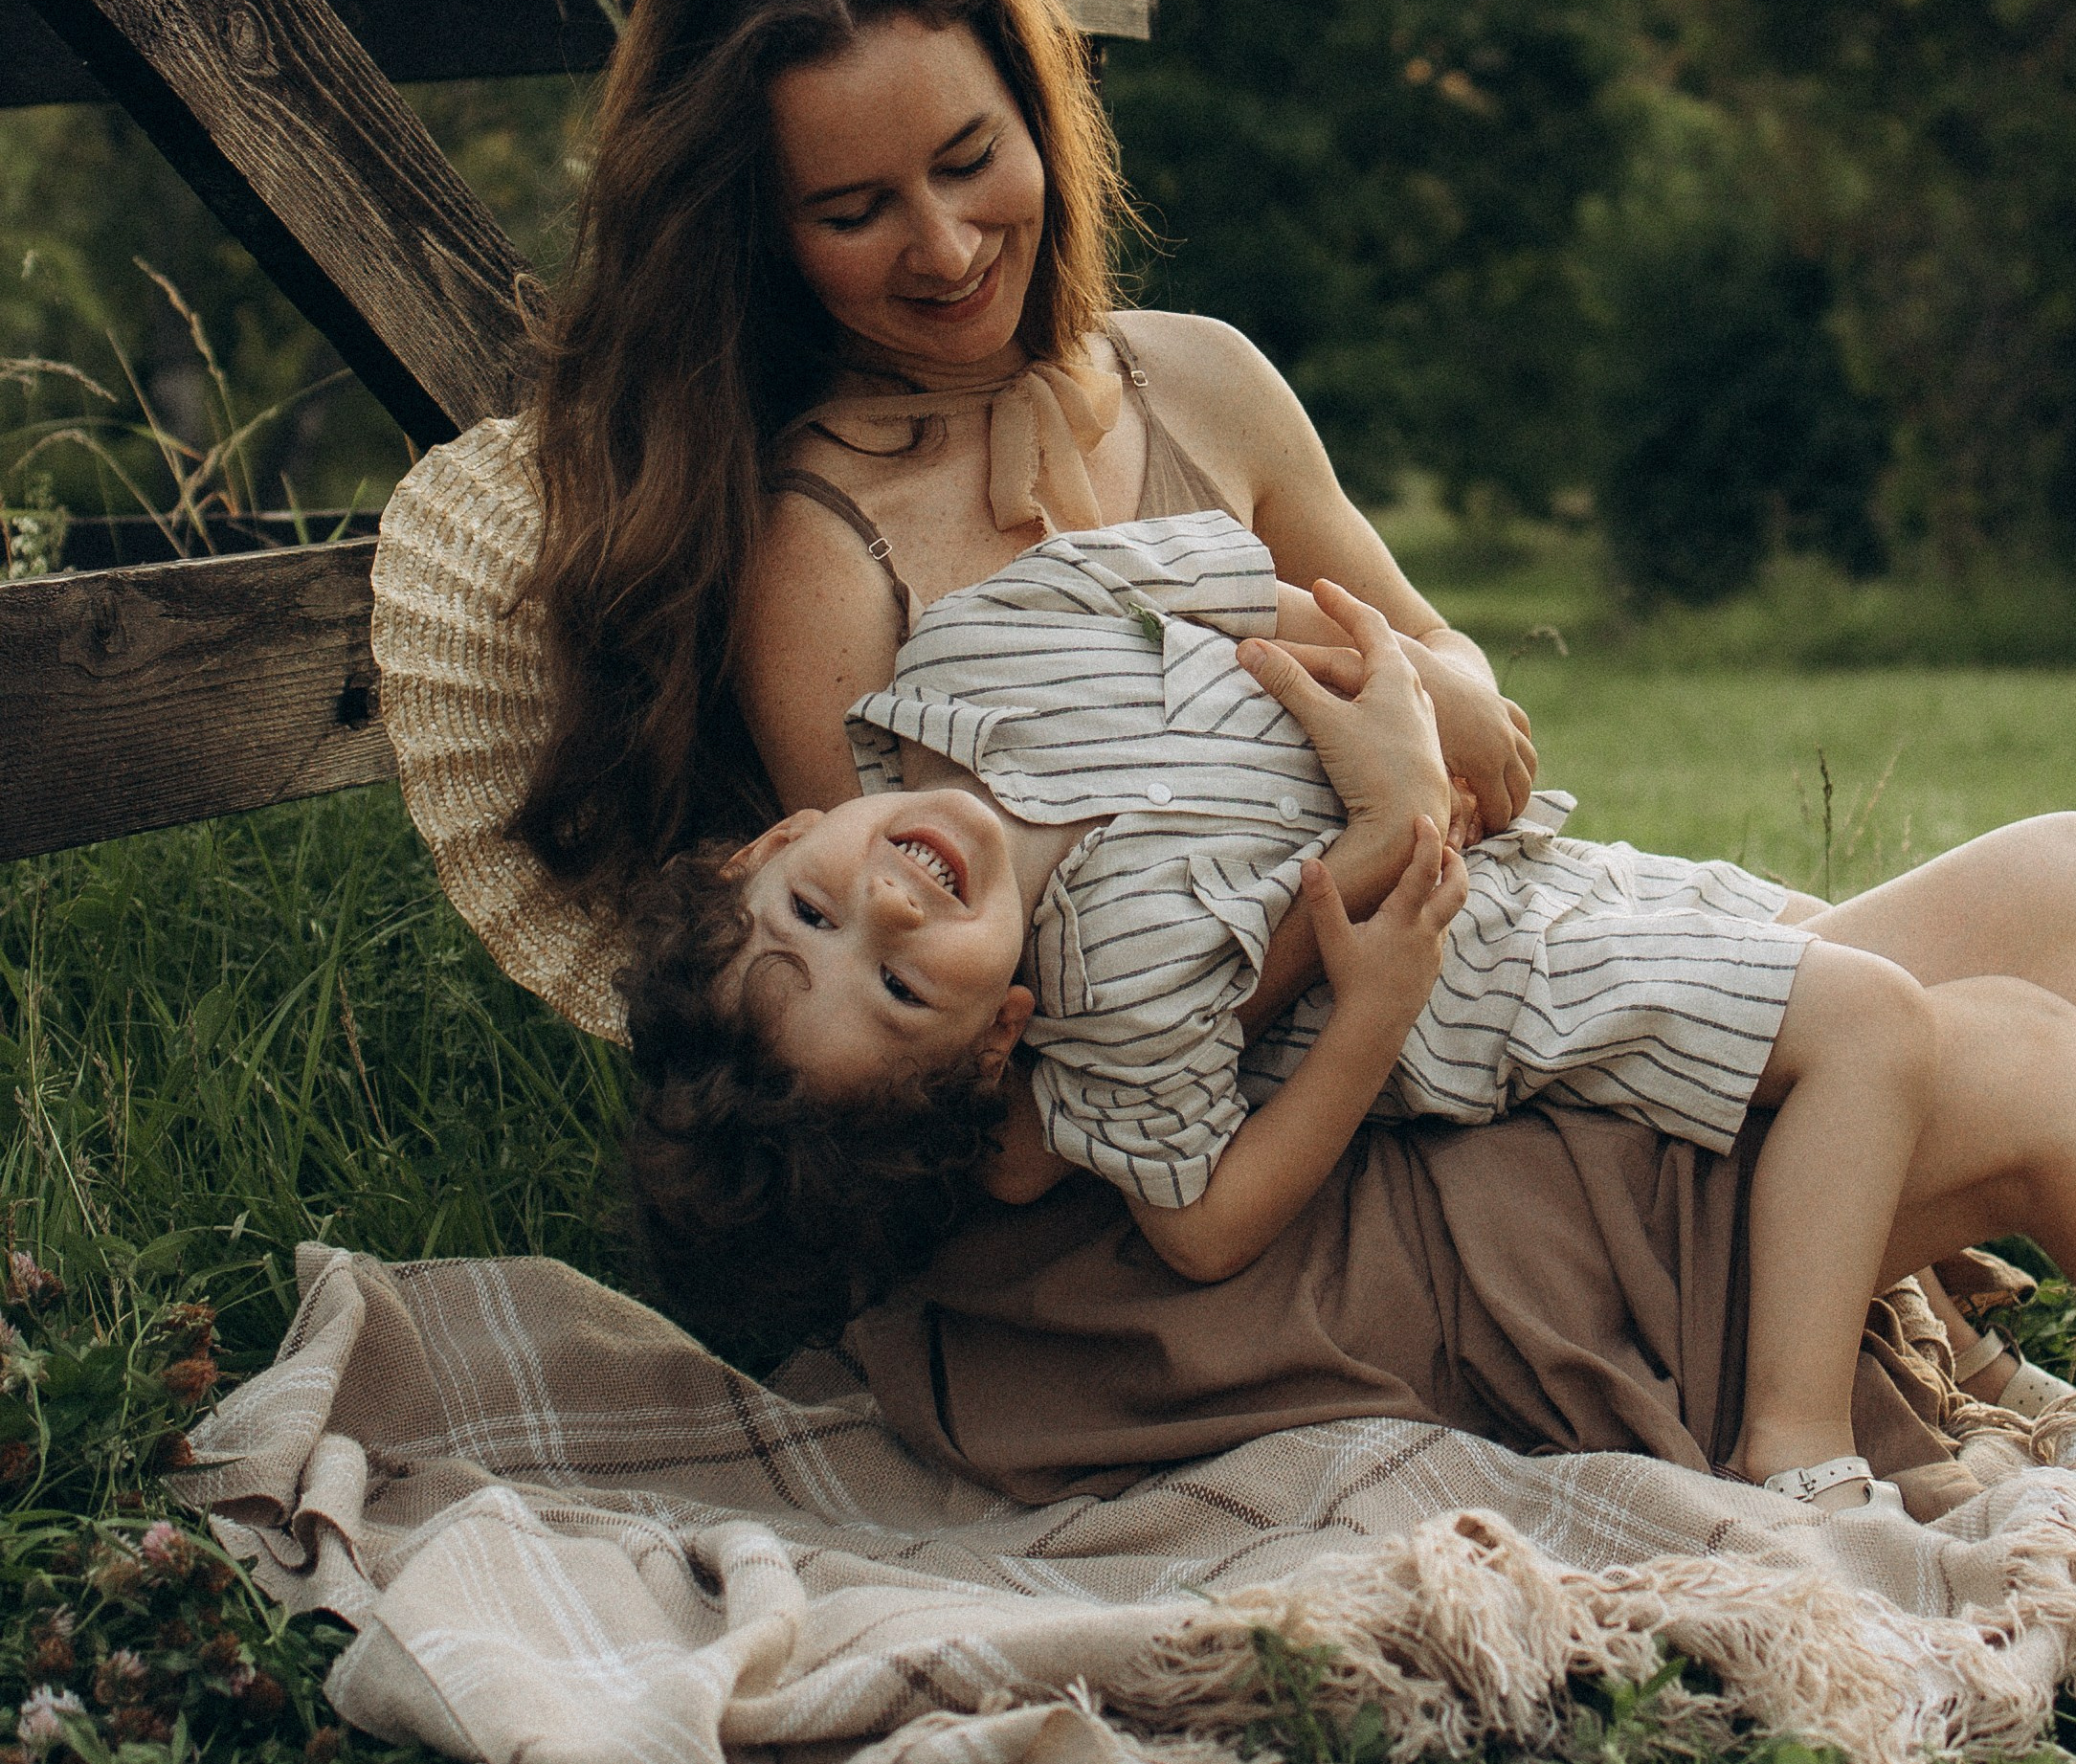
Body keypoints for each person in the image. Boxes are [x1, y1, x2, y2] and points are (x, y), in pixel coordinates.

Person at [371, 0, 2076, 1485]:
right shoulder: (826, 553)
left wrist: (1428, 715)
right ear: (758, 233)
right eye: (852, 206)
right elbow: (1032, 1046)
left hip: (1459, 993)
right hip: (1258, 1197)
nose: (945, 244)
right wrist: (1389, 812)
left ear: (1036, 118)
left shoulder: (1198, 379)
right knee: (2004, 1057)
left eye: (972, 158)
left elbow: (1468, 693)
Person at [623, 514, 1943, 1511]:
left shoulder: (981, 642)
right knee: (1877, 1026)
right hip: (1521, 986)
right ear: (997, 1041)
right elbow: (1201, 1229)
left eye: (811, 911)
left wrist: (1427, 685)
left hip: (1564, 872)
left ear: (778, 839)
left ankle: (1956, 1345)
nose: (891, 917)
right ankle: (1798, 1451)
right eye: (903, 989)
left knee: (2031, 935)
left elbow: (1255, 587)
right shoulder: (1116, 1007)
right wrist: (1373, 1010)